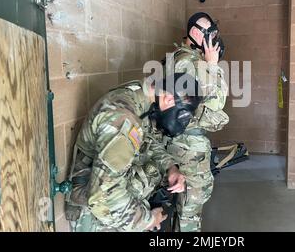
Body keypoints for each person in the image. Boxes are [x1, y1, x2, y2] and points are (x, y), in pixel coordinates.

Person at [64, 73, 202, 232]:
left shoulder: (139, 97)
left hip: (101, 185)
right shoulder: (124, 119)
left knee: (152, 172)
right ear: (170, 99)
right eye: (182, 115)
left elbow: (147, 139)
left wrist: (171, 167)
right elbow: (103, 198)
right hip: (91, 208)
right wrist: (148, 220)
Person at [165, 12, 229, 232]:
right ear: (194, 33)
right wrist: (213, 65)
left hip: (178, 142)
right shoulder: (189, 62)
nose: (213, 37)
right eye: (209, 32)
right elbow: (217, 102)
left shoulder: (179, 58)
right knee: (190, 212)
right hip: (188, 148)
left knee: (181, 206)